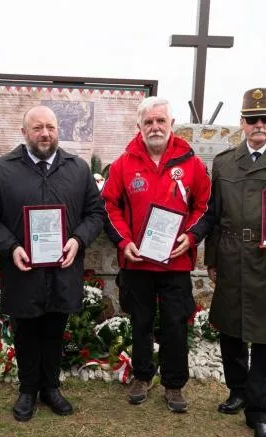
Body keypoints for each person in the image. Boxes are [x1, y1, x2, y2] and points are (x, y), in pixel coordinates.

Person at [0, 105, 104, 421]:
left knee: (54, 329)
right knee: (25, 331)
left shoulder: (77, 169)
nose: (45, 133)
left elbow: (96, 213)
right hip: (23, 270)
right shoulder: (2, 170)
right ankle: (27, 390)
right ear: (24, 133)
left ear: (58, 130)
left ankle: (51, 388)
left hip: (63, 269)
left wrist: (78, 240)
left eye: (50, 127)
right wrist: (11, 247)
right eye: (37, 128)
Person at [204, 88, 266, 437]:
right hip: (231, 255)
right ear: (242, 123)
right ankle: (238, 390)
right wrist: (211, 258)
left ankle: (260, 412)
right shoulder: (225, 162)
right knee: (230, 328)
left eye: (265, 119)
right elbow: (214, 216)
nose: (258, 125)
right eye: (251, 119)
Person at [102, 97, 211, 413]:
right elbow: (110, 205)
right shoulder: (124, 164)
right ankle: (141, 375)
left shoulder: (191, 163)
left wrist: (190, 237)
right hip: (137, 262)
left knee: (176, 323)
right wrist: (124, 242)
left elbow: (204, 205)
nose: (155, 127)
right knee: (140, 321)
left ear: (171, 124)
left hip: (175, 262)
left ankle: (174, 384)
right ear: (139, 126)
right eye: (148, 122)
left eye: (160, 121)